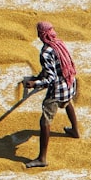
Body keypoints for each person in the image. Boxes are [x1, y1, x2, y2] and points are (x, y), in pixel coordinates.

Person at [21, 21, 80, 168]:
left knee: (44, 121)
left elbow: (50, 78)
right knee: (67, 103)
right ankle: (75, 130)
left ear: (41, 34)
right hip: (69, 83)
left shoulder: (46, 51)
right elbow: (54, 69)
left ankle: (42, 158)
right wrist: (38, 76)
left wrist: (34, 83)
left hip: (57, 90)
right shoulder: (59, 43)